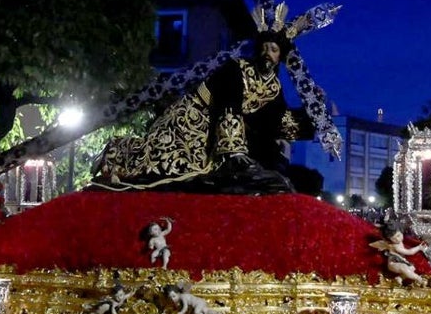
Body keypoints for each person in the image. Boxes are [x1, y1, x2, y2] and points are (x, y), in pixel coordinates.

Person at [94, 15, 316, 194]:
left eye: (274, 50)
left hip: (218, 137)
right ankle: (116, 153)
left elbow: (276, 121)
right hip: (191, 119)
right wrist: (234, 153)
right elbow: (230, 104)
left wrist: (313, 122)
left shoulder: (273, 88)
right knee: (161, 165)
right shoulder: (236, 68)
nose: (267, 53)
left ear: (280, 57)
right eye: (265, 48)